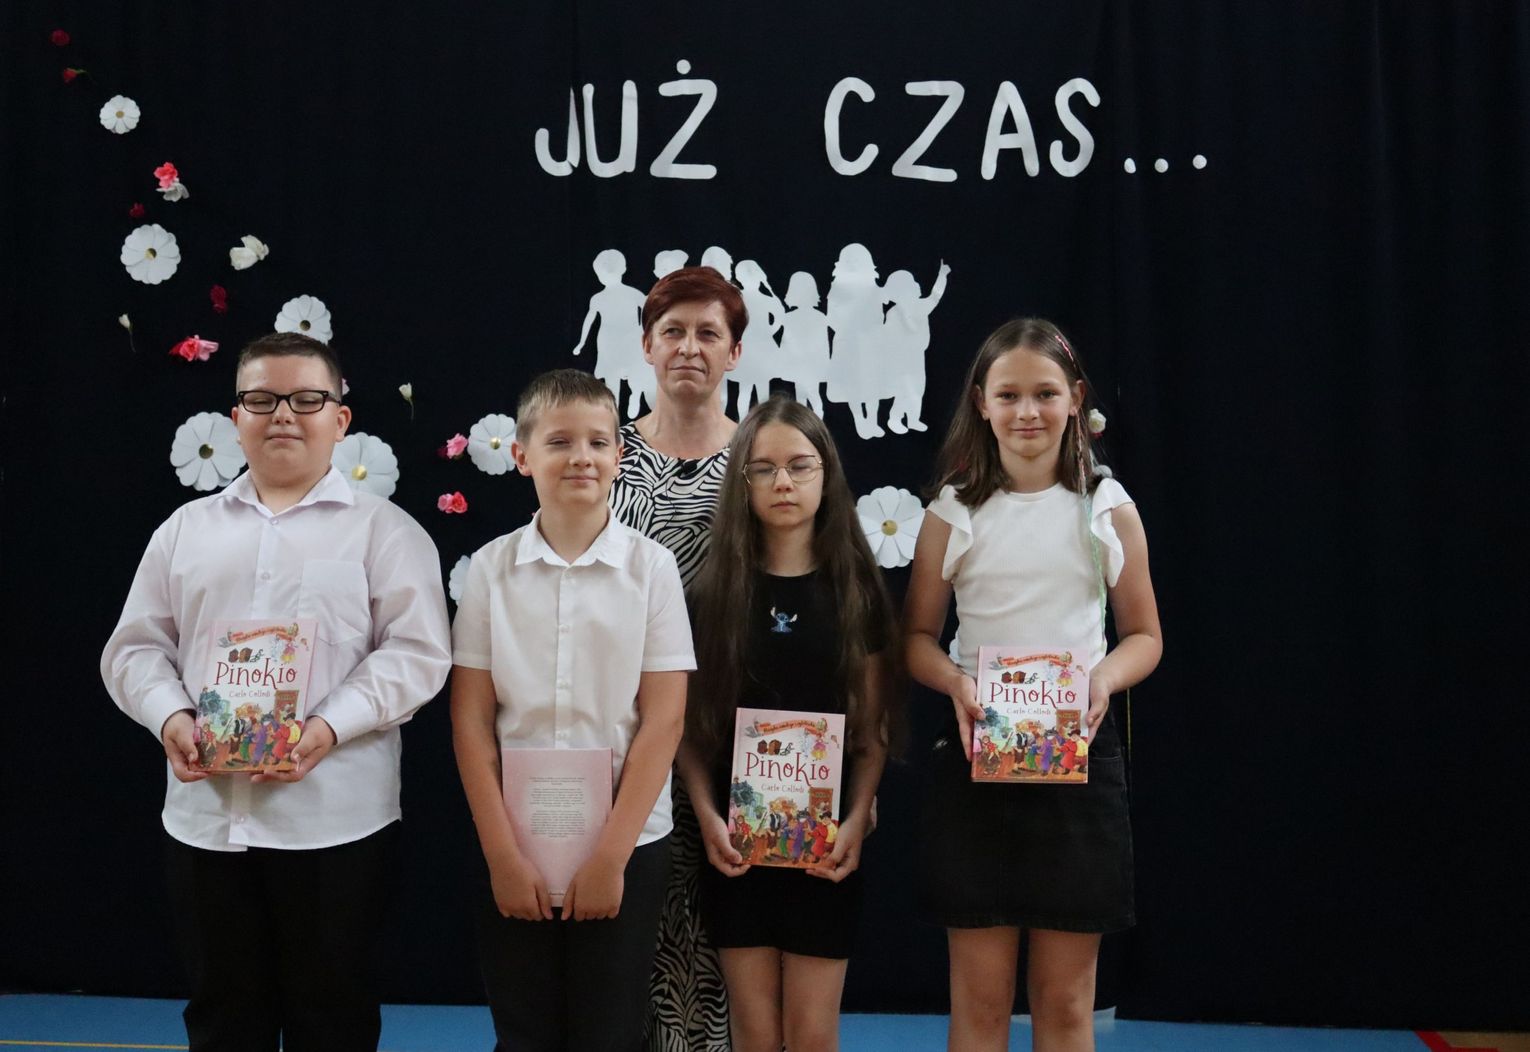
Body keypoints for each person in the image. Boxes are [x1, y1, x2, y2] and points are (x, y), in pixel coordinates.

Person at [100, 332, 453, 1052]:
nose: (283, 415)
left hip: (336, 821)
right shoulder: (184, 531)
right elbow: (135, 648)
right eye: (261, 400)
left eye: (306, 399)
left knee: (334, 1019)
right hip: (205, 820)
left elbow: (418, 654)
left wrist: (327, 727)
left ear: (340, 419)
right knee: (222, 1020)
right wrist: (170, 716)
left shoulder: (385, 532)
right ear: (237, 418)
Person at [904, 318, 1162, 1052]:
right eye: (1009, 394)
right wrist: (956, 682)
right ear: (981, 402)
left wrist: (1102, 679)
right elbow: (915, 640)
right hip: (975, 763)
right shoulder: (952, 511)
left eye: (1045, 394)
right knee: (980, 1004)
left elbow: (1145, 636)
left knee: (1066, 1003)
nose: (1027, 412)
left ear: (1075, 398)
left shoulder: (1107, 507)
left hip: (1079, 764)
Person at [450, 369, 694, 1051]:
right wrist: (501, 854)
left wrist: (611, 856)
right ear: (522, 456)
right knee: (523, 1029)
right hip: (515, 840)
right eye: (559, 442)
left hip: (626, 841)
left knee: (608, 1032)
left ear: (620, 455)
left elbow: (665, 719)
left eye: (597, 442)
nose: (581, 457)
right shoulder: (490, 570)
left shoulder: (652, 570)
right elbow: (470, 719)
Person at [679, 395, 899, 1052]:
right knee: (753, 1032)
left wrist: (856, 819)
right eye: (764, 468)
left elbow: (871, 733)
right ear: (742, 481)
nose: (783, 482)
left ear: (826, 475)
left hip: (824, 854)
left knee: (811, 1034)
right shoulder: (711, 596)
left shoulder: (857, 590)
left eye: (800, 466)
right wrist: (708, 818)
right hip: (736, 853)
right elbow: (687, 735)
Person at [607, 265, 748, 1051]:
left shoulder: (763, 459)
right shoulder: (603, 454)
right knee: (632, 926)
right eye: (673, 332)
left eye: (708, 334)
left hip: (733, 740)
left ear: (734, 352)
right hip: (622, 735)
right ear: (646, 346)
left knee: (723, 933)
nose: (689, 348)